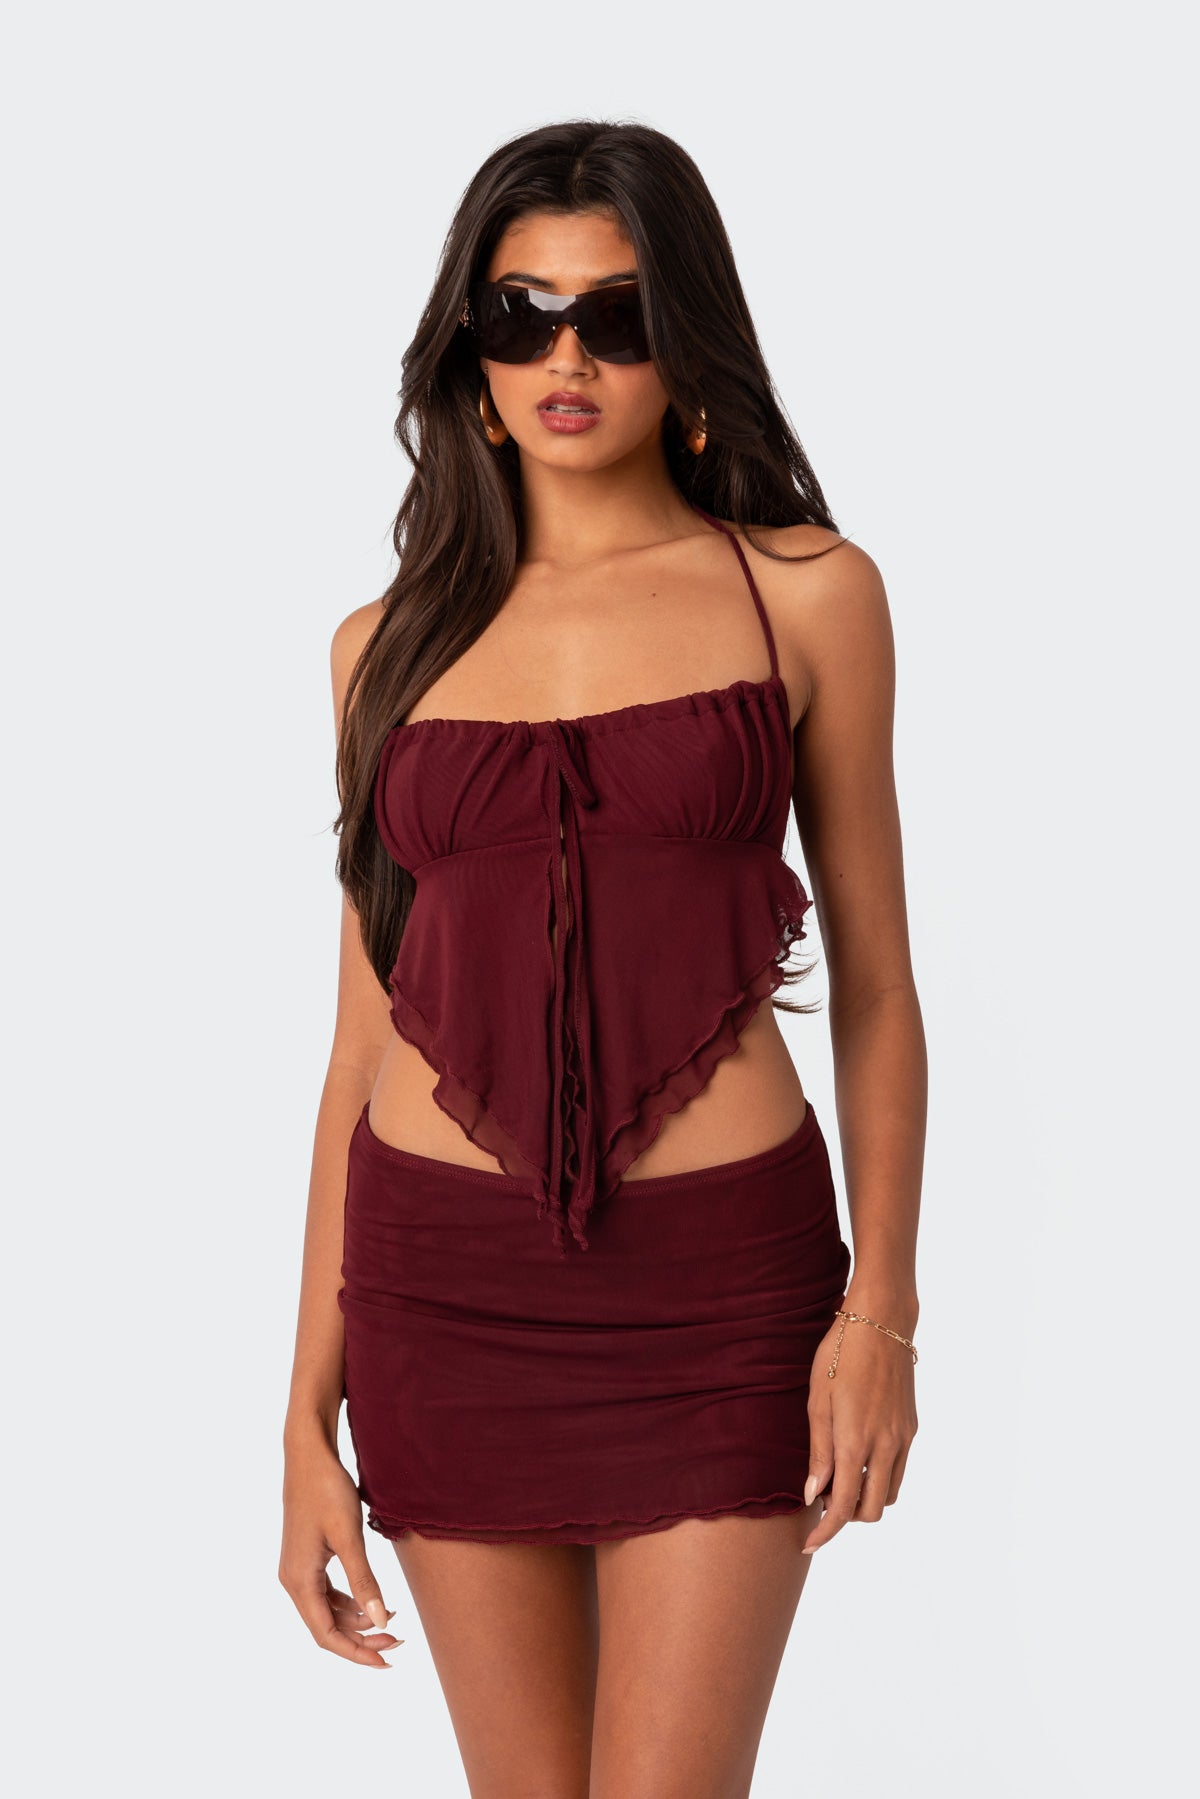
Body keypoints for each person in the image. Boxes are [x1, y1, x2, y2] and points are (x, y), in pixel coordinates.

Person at [280, 118, 925, 1798]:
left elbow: (876, 986)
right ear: (471, 351)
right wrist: (302, 1420)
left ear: (685, 340)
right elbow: (360, 1043)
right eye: (523, 315)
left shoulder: (806, 593)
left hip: (724, 1298)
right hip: (439, 1295)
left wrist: (883, 1310)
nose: (566, 359)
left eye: (617, 319)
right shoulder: (381, 648)